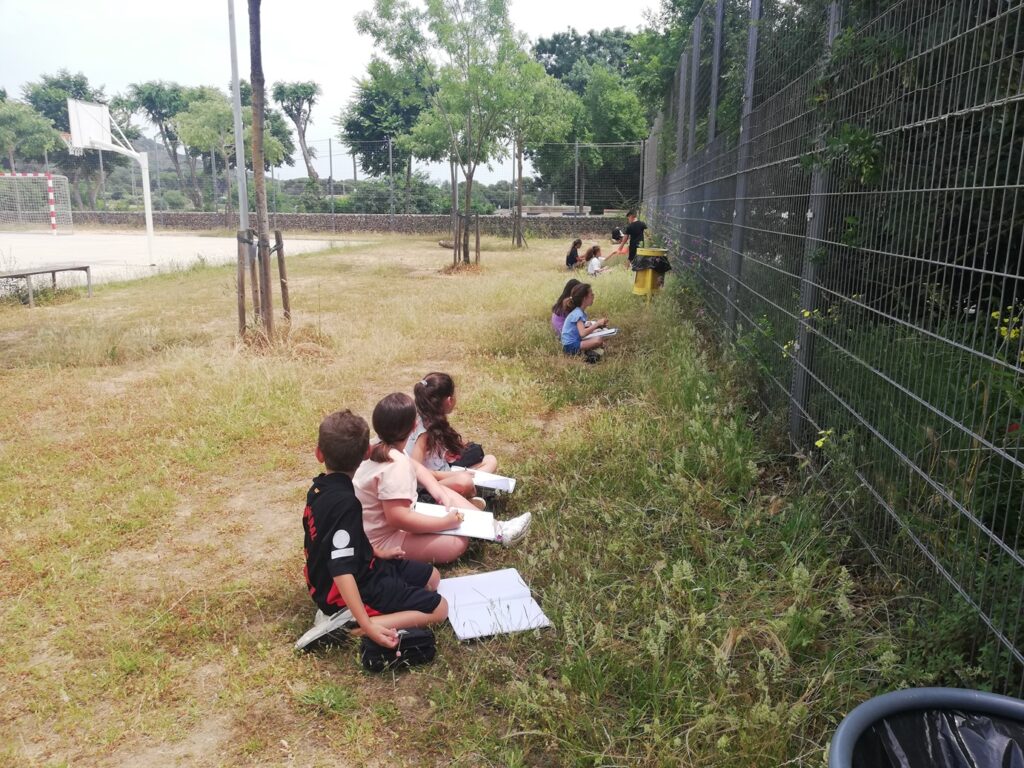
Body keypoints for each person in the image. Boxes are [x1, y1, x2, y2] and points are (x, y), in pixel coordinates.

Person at [301, 409, 448, 651]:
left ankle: (356, 616)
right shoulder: (345, 504)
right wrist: (368, 626)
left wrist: (377, 552)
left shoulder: (319, 489)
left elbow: (331, 541)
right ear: (367, 452)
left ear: (319, 453)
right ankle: (348, 627)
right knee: (440, 608)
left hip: (361, 567)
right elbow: (341, 569)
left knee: (432, 578)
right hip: (345, 590)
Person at [356, 392, 531, 564]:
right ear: (414, 426)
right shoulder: (395, 465)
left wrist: (438, 492)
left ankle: (499, 529)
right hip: (380, 543)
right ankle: (495, 530)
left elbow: (417, 468)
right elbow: (399, 518)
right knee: (457, 543)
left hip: (378, 531)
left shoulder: (379, 444)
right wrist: (443, 524)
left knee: (446, 492)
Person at [407, 374, 498, 503]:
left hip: (444, 469)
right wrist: (452, 475)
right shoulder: (423, 434)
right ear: (449, 400)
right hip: (428, 484)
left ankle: (466, 496)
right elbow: (415, 472)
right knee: (464, 481)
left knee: (490, 460)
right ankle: (465, 498)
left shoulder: (432, 419)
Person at [560, 282, 609, 360]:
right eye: (591, 294)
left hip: (574, 342)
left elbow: (580, 329)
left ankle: (589, 352)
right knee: (598, 340)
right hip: (570, 346)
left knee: (599, 335)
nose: (593, 296)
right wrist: (597, 324)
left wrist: (598, 326)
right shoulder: (578, 313)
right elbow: (582, 333)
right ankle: (586, 354)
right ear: (584, 298)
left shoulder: (580, 312)